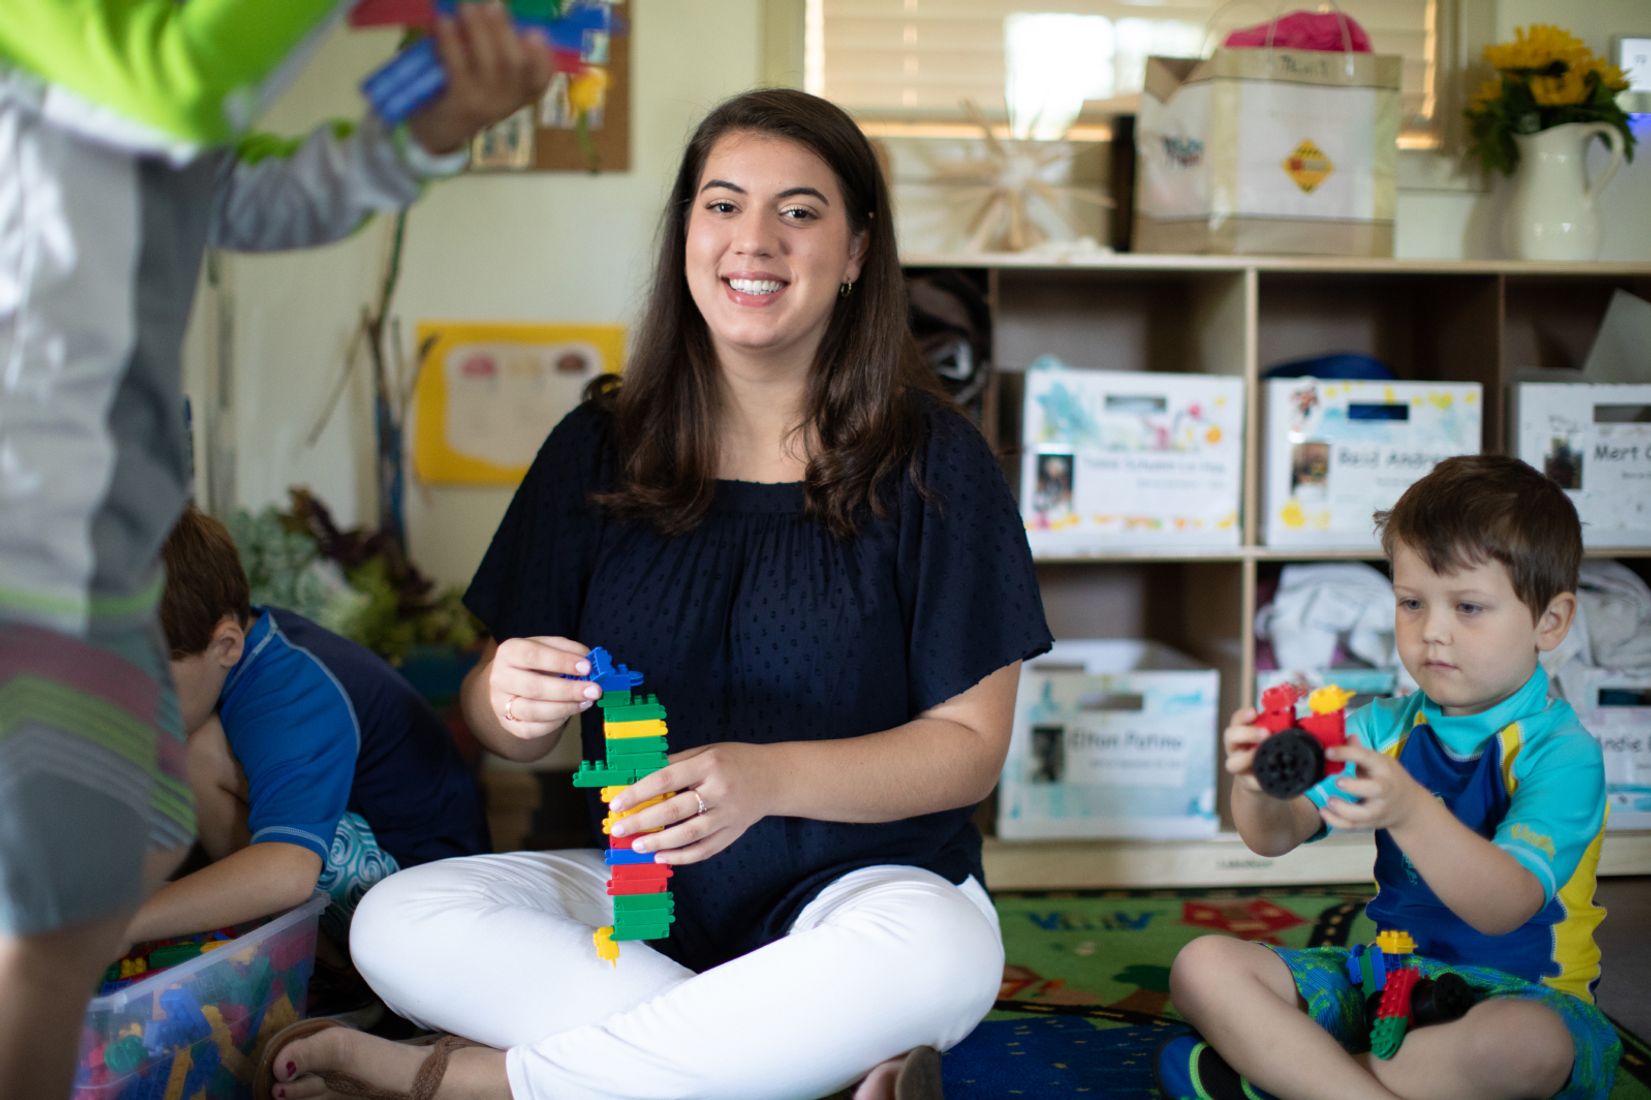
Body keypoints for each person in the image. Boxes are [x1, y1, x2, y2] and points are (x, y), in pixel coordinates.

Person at [259, 87, 1054, 1100]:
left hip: (865, 894)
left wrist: (766, 779)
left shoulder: (934, 460)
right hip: (639, 904)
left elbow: (967, 751)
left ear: (856, 250)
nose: (752, 240)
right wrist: (499, 695)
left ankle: (475, 1080)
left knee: (937, 953)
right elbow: (502, 727)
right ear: (687, 229)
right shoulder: (596, 446)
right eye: (722, 205)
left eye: (799, 211)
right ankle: (780, 1052)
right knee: (396, 919)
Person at [0, 5, 552, 1096]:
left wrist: (421, 135)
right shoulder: (87, 57)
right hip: (48, 522)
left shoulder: (283, 678)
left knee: (102, 862)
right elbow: (171, 73)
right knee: (77, 876)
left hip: (100, 526)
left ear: (221, 637)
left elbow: (248, 188)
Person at [1159, 454, 1619, 1100]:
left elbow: (1504, 905)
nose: (1431, 632)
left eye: (1467, 607)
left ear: (1550, 621)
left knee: (1527, 1045)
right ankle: (1346, 1085)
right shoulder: (1380, 726)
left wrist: (1408, 810)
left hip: (1526, 997)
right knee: (1202, 966)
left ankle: (1292, 1075)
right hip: (1390, 981)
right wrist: (1259, 785)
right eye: (1410, 602)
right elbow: (1275, 836)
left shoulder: (1562, 753)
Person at [130, 504, 491, 957]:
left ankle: (328, 972)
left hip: (429, 902)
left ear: (226, 644)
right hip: (359, 854)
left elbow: (288, 869)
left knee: (195, 754)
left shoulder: (291, 690)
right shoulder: (235, 648)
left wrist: (130, 920)